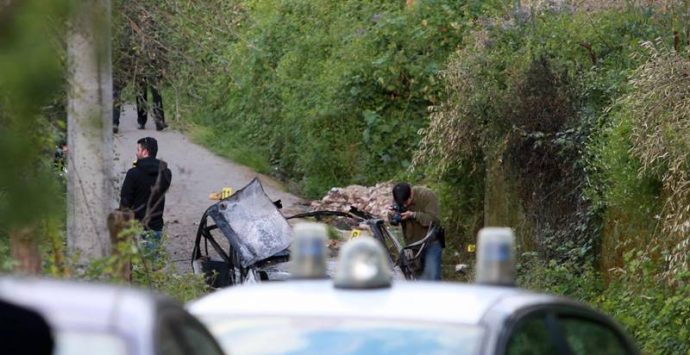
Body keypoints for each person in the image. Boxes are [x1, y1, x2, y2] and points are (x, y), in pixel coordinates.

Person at [120, 137, 172, 253]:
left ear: (145, 152)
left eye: (138, 150)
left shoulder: (133, 173)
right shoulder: (165, 173)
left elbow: (125, 200)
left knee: (134, 265)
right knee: (152, 264)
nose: (136, 153)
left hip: (136, 227)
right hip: (156, 226)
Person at [389, 182, 443, 280]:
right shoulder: (399, 199)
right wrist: (392, 215)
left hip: (430, 242)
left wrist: (413, 215)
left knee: (433, 277)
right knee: (418, 280)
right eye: (402, 204)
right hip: (413, 247)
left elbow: (433, 220)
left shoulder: (426, 195)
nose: (404, 205)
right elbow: (394, 222)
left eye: (406, 203)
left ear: (411, 194)